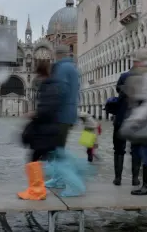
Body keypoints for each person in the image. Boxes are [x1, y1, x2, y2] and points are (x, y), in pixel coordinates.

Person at [119, 48, 147, 196]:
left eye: (137, 60)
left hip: (145, 120)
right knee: (140, 150)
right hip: (143, 118)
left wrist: (135, 120)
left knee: (144, 151)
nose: (135, 63)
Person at [43, 44, 85, 197]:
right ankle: (58, 179)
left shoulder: (62, 69)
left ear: (57, 55)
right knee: (57, 148)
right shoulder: (71, 68)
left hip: (61, 114)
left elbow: (59, 92)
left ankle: (75, 184)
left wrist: (48, 111)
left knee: (59, 150)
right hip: (67, 113)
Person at [18, 62, 61, 200]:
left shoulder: (48, 86)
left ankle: (37, 191)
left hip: (46, 129)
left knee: (34, 158)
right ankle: (37, 189)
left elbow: (48, 107)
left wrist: (34, 113)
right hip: (48, 128)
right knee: (43, 158)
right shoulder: (52, 84)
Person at [110, 71, 142, 186]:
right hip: (136, 121)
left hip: (121, 119)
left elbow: (118, 90)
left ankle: (117, 179)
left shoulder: (123, 78)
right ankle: (135, 179)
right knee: (136, 150)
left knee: (118, 150)